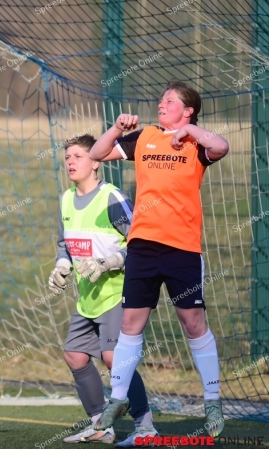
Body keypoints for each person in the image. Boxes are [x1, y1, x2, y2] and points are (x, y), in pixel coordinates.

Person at [88, 81, 229, 437]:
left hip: (182, 247)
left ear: (188, 109)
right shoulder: (146, 136)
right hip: (143, 246)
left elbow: (222, 146)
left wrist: (188, 132)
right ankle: (117, 398)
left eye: (170, 101)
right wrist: (118, 129)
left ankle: (212, 401)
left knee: (193, 322)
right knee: (131, 323)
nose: (161, 103)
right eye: (161, 99)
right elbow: (97, 154)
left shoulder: (196, 143)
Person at [48, 134, 157, 447]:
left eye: (78, 156)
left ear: (96, 162)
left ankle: (145, 426)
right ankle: (101, 424)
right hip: (88, 299)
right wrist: (61, 266)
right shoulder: (66, 200)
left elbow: (140, 242)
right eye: (67, 157)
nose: (70, 162)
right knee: (75, 356)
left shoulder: (111, 197)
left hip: (119, 293)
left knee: (114, 359)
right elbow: (63, 245)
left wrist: (110, 261)